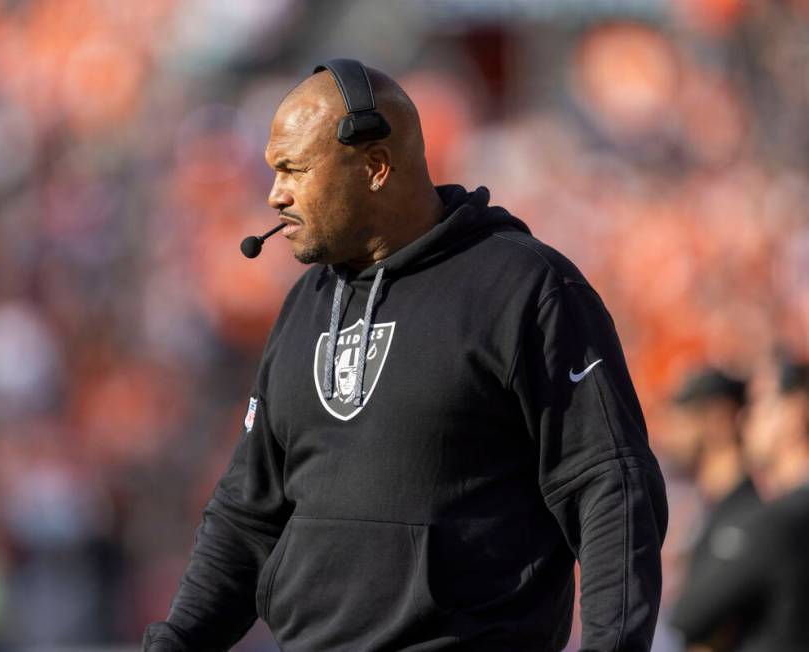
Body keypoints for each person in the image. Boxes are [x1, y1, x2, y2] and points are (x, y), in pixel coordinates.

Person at [142, 60, 668, 652]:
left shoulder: (524, 288)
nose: (274, 195)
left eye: (294, 169)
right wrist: (177, 642)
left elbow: (610, 488)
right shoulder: (304, 306)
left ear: (375, 166)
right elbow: (247, 514)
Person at [670, 361, 809, 651]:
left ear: (795, 412)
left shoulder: (776, 518)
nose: (746, 417)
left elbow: (688, 616)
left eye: (759, 403)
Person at [665, 368, 761, 585]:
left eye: (681, 419)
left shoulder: (746, 511)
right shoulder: (704, 503)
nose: (669, 434)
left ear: (719, 418)